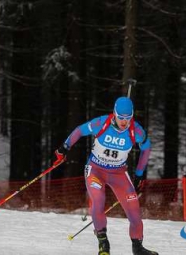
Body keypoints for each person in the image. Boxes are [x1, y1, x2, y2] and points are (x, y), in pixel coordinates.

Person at [55, 97, 158, 255]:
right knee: (98, 200)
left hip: (118, 173)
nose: (124, 122)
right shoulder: (101, 123)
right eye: (121, 117)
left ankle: (138, 248)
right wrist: (64, 148)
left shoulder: (136, 131)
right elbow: (79, 130)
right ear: (114, 114)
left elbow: (147, 147)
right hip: (96, 170)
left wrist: (139, 175)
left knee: (135, 212)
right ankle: (103, 243)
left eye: (128, 118)